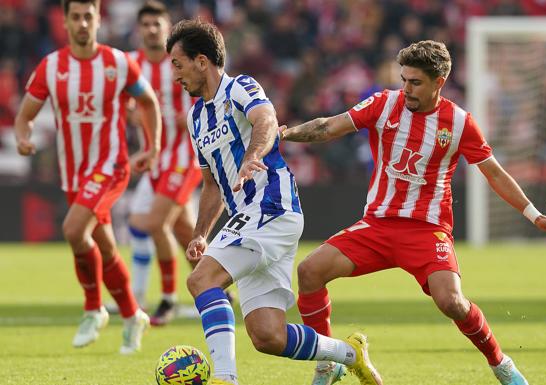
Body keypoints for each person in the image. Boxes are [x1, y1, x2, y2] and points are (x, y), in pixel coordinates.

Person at [280, 40, 546, 385]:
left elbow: (494, 172)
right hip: (378, 225)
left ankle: (502, 365)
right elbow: (329, 126)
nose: (406, 89)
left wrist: (535, 215)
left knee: (451, 302)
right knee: (310, 271)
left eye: (415, 82)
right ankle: (329, 363)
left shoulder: (460, 123)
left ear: (439, 81)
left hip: (427, 230)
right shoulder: (383, 104)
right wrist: (285, 133)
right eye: (404, 80)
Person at [167, 19, 383, 385]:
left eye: (178, 63)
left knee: (202, 280)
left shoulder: (240, 87)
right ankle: (349, 353)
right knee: (268, 336)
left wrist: (254, 155)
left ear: (201, 60)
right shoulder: (196, 117)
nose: (175, 74)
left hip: (271, 207)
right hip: (249, 221)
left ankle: (225, 378)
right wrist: (201, 233)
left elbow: (266, 120)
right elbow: (211, 183)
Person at [14, 0, 161, 354]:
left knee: (73, 230)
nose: (82, 23)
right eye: (75, 17)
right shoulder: (51, 67)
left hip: (110, 166)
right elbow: (25, 115)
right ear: (65, 21)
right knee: (105, 247)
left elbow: (148, 102)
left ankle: (94, 307)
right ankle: (132, 314)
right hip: (74, 174)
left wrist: (151, 146)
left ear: (98, 19)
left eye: (88, 16)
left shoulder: (117, 62)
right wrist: (22, 136)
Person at [123, 0, 203, 326]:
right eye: (146, 24)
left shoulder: (182, 63)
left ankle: (168, 299)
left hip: (186, 159)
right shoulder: (131, 64)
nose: (152, 30)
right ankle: (216, 288)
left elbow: (207, 95)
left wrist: (194, 116)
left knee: (155, 223)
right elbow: (122, 103)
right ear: (139, 29)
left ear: (168, 28)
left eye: (158, 24)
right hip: (155, 161)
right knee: (185, 233)